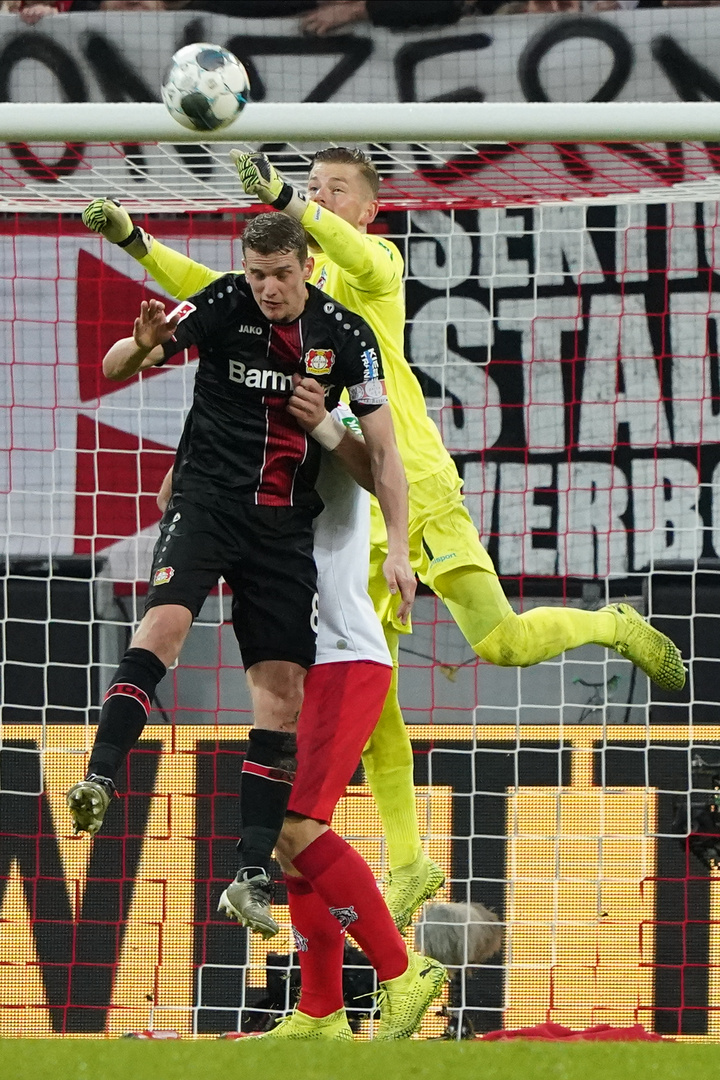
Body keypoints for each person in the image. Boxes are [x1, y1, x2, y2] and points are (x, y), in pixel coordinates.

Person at [81, 150, 685, 931]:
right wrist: (136, 241)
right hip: (344, 512)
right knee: (374, 690)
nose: (319, 202)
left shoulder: (372, 273)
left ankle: (609, 625)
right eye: (314, 189)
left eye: (335, 194)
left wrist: (287, 196)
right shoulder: (293, 285)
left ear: (366, 212)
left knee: (497, 640)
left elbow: (343, 251)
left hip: (415, 485)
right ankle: (407, 864)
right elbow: (210, 292)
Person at [67, 212, 415, 940]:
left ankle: (250, 872)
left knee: (280, 696)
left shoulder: (346, 337)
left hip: (283, 527)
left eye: (280, 275)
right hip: (207, 504)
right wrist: (145, 344)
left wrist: (401, 550)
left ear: (308, 266)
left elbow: (382, 456)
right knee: (163, 625)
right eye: (257, 275)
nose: (267, 289)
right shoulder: (224, 301)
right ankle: (99, 775)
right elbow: (113, 367)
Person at [157, 382, 446, 1040]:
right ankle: (321, 1011)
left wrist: (313, 423)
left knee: (292, 825)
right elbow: (170, 500)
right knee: (293, 847)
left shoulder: (331, 417)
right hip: (294, 665)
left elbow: (379, 470)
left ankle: (404, 974)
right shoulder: (244, 437)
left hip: (344, 656)